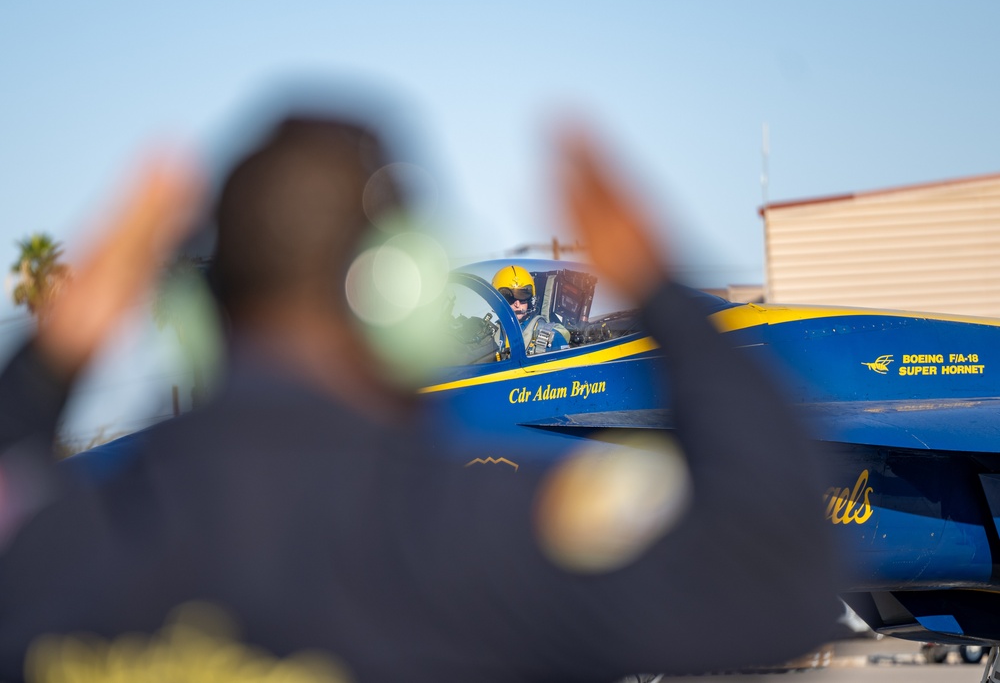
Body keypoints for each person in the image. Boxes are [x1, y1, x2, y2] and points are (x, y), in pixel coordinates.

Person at [0, 112, 839, 681]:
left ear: (201, 306)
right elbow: (773, 573)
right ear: (405, 292)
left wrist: (49, 363)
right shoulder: (470, 534)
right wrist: (661, 287)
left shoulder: (69, 546)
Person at [491, 264, 570, 353]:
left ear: (530, 299)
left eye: (523, 296)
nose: (517, 304)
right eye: (508, 298)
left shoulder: (553, 338)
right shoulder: (491, 336)